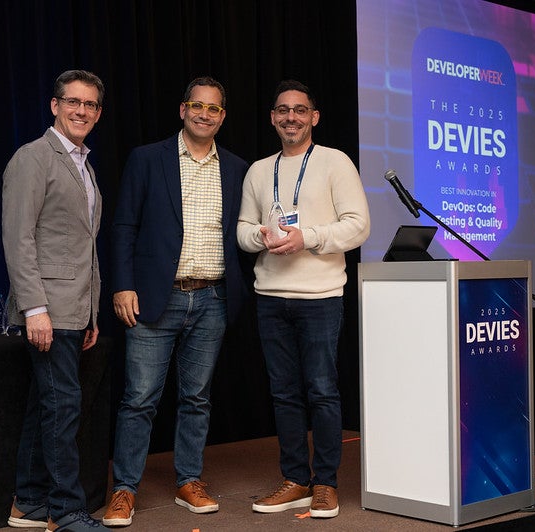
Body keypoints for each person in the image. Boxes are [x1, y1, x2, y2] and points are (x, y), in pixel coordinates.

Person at [102, 76, 250, 527]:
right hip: (154, 297)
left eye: (214, 108)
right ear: (182, 109)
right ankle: (124, 489)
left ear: (223, 116)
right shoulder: (147, 159)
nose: (205, 114)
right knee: (139, 399)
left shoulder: (238, 168)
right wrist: (122, 285)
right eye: (197, 105)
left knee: (197, 398)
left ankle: (189, 480)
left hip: (213, 297)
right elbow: (124, 226)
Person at [236, 79, 370, 519]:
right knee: (284, 394)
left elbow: (358, 225)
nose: (290, 117)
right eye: (282, 110)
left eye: (299, 110)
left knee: (322, 392)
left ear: (314, 117)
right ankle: (296, 480)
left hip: (320, 298)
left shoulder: (335, 162)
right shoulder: (259, 170)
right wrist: (260, 236)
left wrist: (306, 237)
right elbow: (242, 229)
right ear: (272, 118)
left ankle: (325, 483)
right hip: (270, 298)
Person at [2, 69, 109, 531]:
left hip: (75, 308)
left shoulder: (84, 164)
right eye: (73, 102)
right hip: (48, 306)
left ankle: (28, 502)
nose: (81, 111)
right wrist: (35, 309)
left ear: (98, 113)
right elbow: (19, 238)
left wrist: (92, 312)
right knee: (63, 408)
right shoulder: (33, 157)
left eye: (90, 104)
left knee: (46, 405)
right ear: (55, 105)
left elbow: (84, 245)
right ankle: (65, 511)